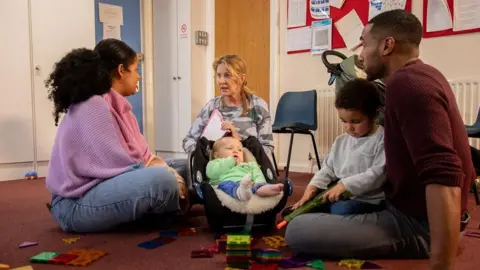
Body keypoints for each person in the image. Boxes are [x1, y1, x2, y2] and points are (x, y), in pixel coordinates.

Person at [285, 10, 474, 270]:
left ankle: (428, 243)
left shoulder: (407, 85)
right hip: (408, 209)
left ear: (387, 45)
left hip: (417, 225)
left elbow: (443, 174)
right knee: (323, 212)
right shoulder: (424, 75)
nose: (359, 54)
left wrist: (441, 263)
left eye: (364, 43)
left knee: (298, 231)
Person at [46, 39, 188, 233]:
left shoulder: (119, 106)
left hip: (101, 188)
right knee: (162, 180)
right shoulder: (94, 105)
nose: (138, 76)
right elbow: (119, 166)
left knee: (185, 166)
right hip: (75, 204)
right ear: (122, 70)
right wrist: (171, 177)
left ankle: (171, 200)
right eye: (136, 69)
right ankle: (170, 205)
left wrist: (175, 173)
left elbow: (143, 158)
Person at [291, 79, 386, 215]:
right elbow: (328, 168)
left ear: (374, 115)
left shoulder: (382, 139)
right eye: (343, 121)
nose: (348, 127)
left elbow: (377, 175)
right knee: (306, 208)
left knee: (341, 210)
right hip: (340, 195)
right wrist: (313, 186)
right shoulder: (341, 141)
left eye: (356, 121)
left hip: (366, 200)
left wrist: (345, 185)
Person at [182, 55, 274, 161]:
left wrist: (238, 144)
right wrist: (210, 155)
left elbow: (267, 148)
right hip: (215, 168)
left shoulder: (258, 106)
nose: (221, 81)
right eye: (218, 75)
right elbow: (188, 140)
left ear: (241, 78)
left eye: (227, 75)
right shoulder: (212, 106)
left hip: (248, 169)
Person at [206, 136, 283, 201]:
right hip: (226, 183)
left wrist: (260, 183)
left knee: (257, 185)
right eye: (230, 148)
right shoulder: (216, 162)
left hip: (248, 184)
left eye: (240, 150)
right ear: (216, 155)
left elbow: (258, 175)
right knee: (225, 185)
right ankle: (240, 192)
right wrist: (230, 161)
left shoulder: (248, 165)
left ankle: (266, 189)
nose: (236, 151)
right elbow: (212, 174)